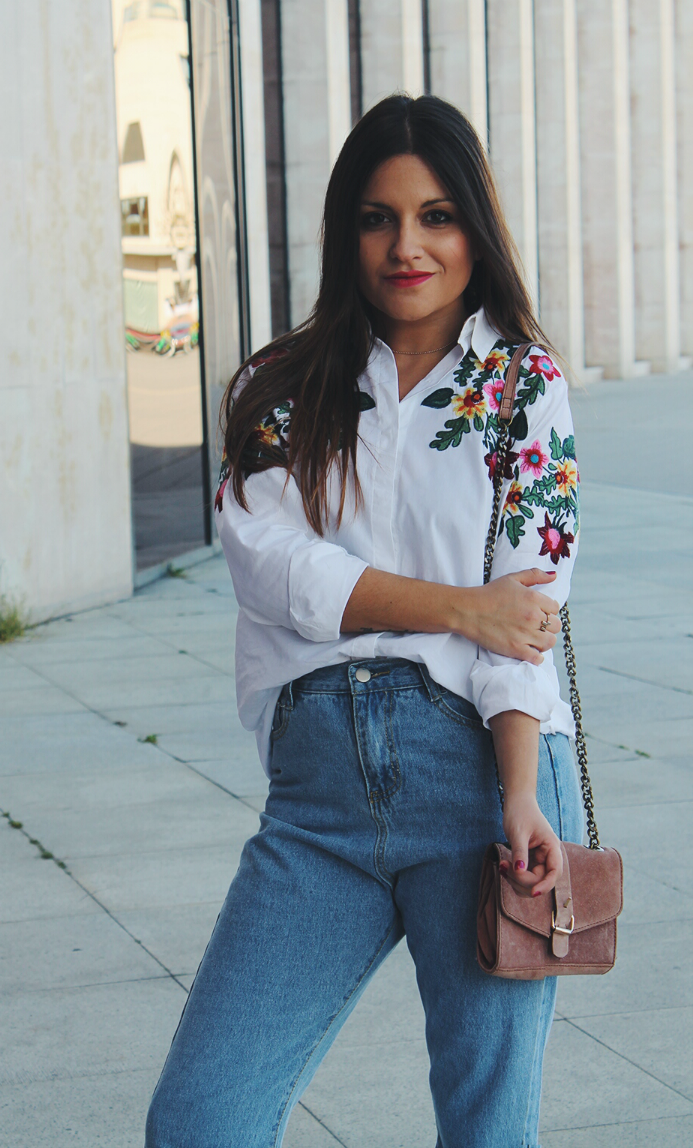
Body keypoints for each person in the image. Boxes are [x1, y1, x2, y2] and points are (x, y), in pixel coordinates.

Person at [146, 95, 582, 1148]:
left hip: (480, 780)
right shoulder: (278, 387)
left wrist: (522, 794)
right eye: (378, 218)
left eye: (437, 215)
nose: (407, 245)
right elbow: (280, 575)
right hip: (321, 799)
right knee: (202, 1120)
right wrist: (454, 607)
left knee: (486, 1128)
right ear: (346, 231)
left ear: (475, 227)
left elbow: (527, 616)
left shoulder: (521, 384)